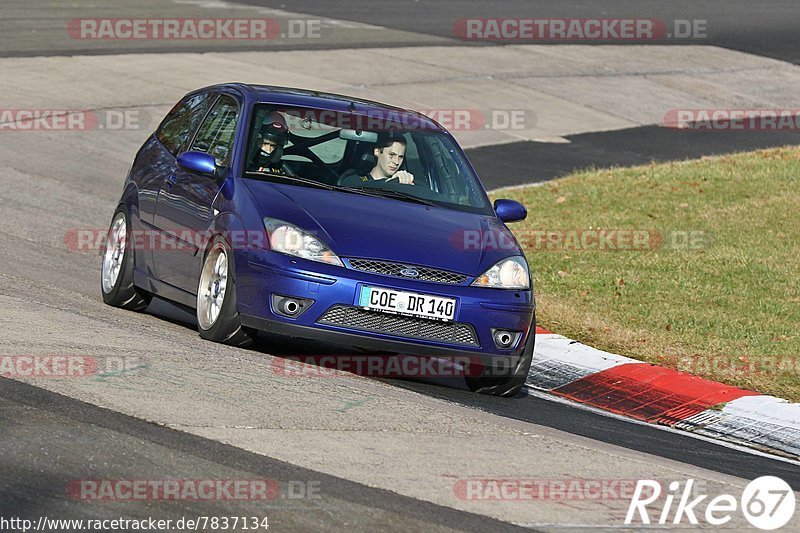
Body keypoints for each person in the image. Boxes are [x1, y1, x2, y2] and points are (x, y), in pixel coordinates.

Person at [340, 133, 414, 187]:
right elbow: (348, 184)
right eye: (391, 155)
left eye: (400, 157)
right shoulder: (358, 180)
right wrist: (390, 183)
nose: (396, 162)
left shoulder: (403, 182)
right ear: (377, 152)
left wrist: (405, 182)